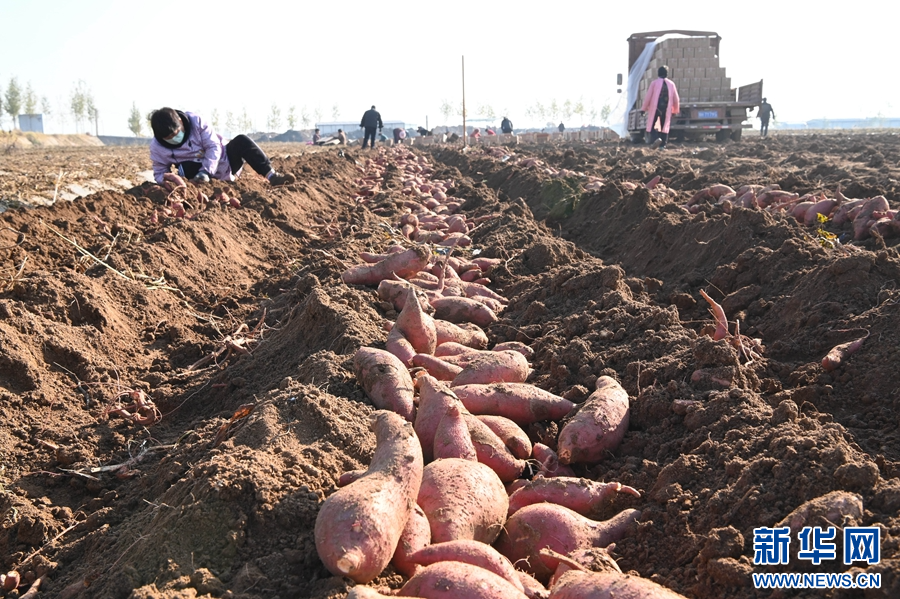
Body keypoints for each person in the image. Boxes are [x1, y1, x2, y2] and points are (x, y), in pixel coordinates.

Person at [149, 107, 295, 186]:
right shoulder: (157, 147)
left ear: (180, 122)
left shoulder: (196, 122)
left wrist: (207, 171)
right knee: (183, 169)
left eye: (176, 133)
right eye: (169, 139)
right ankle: (202, 186)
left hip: (225, 161)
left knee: (242, 141)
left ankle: (272, 176)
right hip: (193, 174)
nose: (174, 139)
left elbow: (213, 147)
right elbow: (160, 171)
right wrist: (167, 181)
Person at [640, 66, 680, 150]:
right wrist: (675, 110)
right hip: (666, 109)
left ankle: (656, 138)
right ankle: (662, 146)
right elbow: (676, 99)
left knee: (651, 126)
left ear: (658, 73)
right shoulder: (671, 84)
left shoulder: (654, 83)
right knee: (664, 127)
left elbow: (648, 97)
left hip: (655, 108)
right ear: (667, 74)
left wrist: (643, 109)